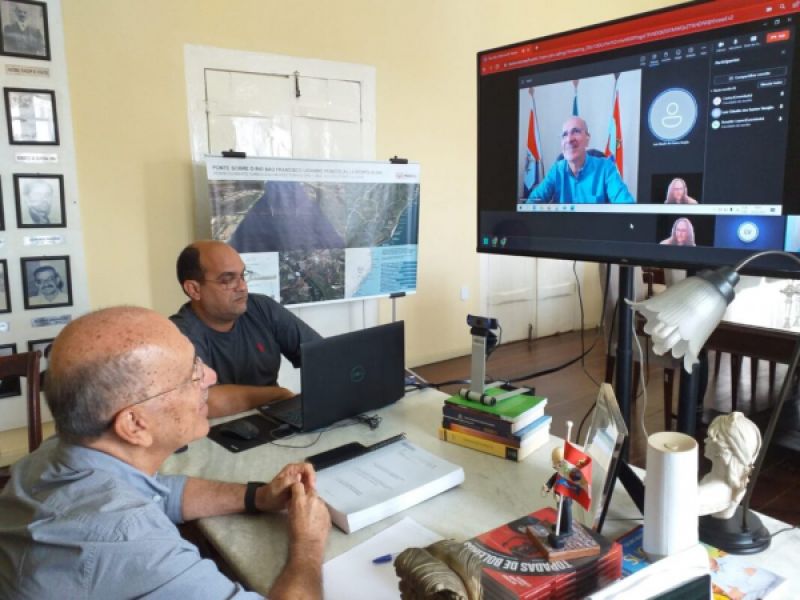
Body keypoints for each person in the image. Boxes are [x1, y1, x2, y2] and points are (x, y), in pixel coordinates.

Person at [0, 306, 331, 598]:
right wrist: (308, 545)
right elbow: (131, 528)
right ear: (135, 425)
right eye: (192, 375)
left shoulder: (58, 451)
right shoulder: (131, 541)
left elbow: (159, 492)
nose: (211, 377)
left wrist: (257, 497)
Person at [170, 240, 321, 418]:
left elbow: (322, 357)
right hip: (213, 429)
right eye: (227, 280)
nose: (242, 287)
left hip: (273, 420)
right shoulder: (176, 335)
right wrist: (277, 395)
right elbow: (204, 400)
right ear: (194, 289)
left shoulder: (262, 308)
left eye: (242, 275)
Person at [526, 116, 635, 204]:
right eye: (564, 134)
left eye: (576, 131)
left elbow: (626, 205)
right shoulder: (556, 170)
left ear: (587, 139)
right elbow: (532, 203)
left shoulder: (606, 168)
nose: (569, 139)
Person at [698, 411, 762, 520]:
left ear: (724, 451)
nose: (705, 440)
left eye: (712, 438)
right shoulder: (710, 480)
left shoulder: (711, 492)